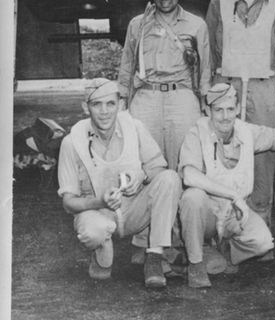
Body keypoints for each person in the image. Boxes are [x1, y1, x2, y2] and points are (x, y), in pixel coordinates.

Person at [56, 78, 181, 287]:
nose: (104, 111)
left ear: (120, 105)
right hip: (100, 212)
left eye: (110, 104)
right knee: (93, 231)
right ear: (85, 108)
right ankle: (102, 250)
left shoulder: (134, 127)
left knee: (170, 178)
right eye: (96, 104)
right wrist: (100, 202)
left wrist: (140, 175)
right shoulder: (71, 142)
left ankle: (154, 256)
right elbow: (68, 202)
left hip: (134, 211)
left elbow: (158, 167)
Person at [177, 83, 275, 288]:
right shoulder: (196, 133)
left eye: (230, 109)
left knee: (263, 243)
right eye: (218, 110)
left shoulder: (246, 130)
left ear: (237, 109)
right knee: (192, 197)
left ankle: (221, 248)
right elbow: (189, 176)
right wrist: (233, 195)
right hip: (207, 212)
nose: (225, 116)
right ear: (208, 111)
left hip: (234, 214)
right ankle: (196, 262)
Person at [205, 0, 275, 225]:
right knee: (223, 152)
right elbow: (210, 48)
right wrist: (218, 85)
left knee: (263, 155)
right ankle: (227, 225)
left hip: (262, 88)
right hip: (228, 86)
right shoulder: (219, 2)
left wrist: (272, 87)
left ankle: (261, 225)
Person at [117, 0, 210, 171]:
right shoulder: (137, 25)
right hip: (146, 97)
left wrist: (206, 104)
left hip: (182, 98)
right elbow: (127, 65)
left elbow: (205, 70)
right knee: (144, 162)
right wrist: (122, 100)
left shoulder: (197, 25)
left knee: (186, 162)